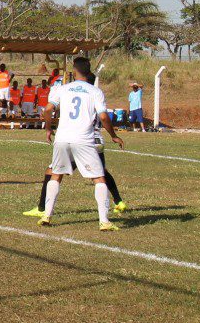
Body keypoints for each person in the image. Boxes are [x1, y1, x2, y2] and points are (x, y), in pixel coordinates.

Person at [24, 71, 127, 218]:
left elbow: (55, 110)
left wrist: (50, 126)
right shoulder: (95, 95)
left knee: (53, 172)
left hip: (81, 139)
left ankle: (42, 209)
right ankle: (118, 201)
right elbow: (103, 116)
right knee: (101, 173)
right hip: (96, 139)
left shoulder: (76, 94)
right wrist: (113, 136)